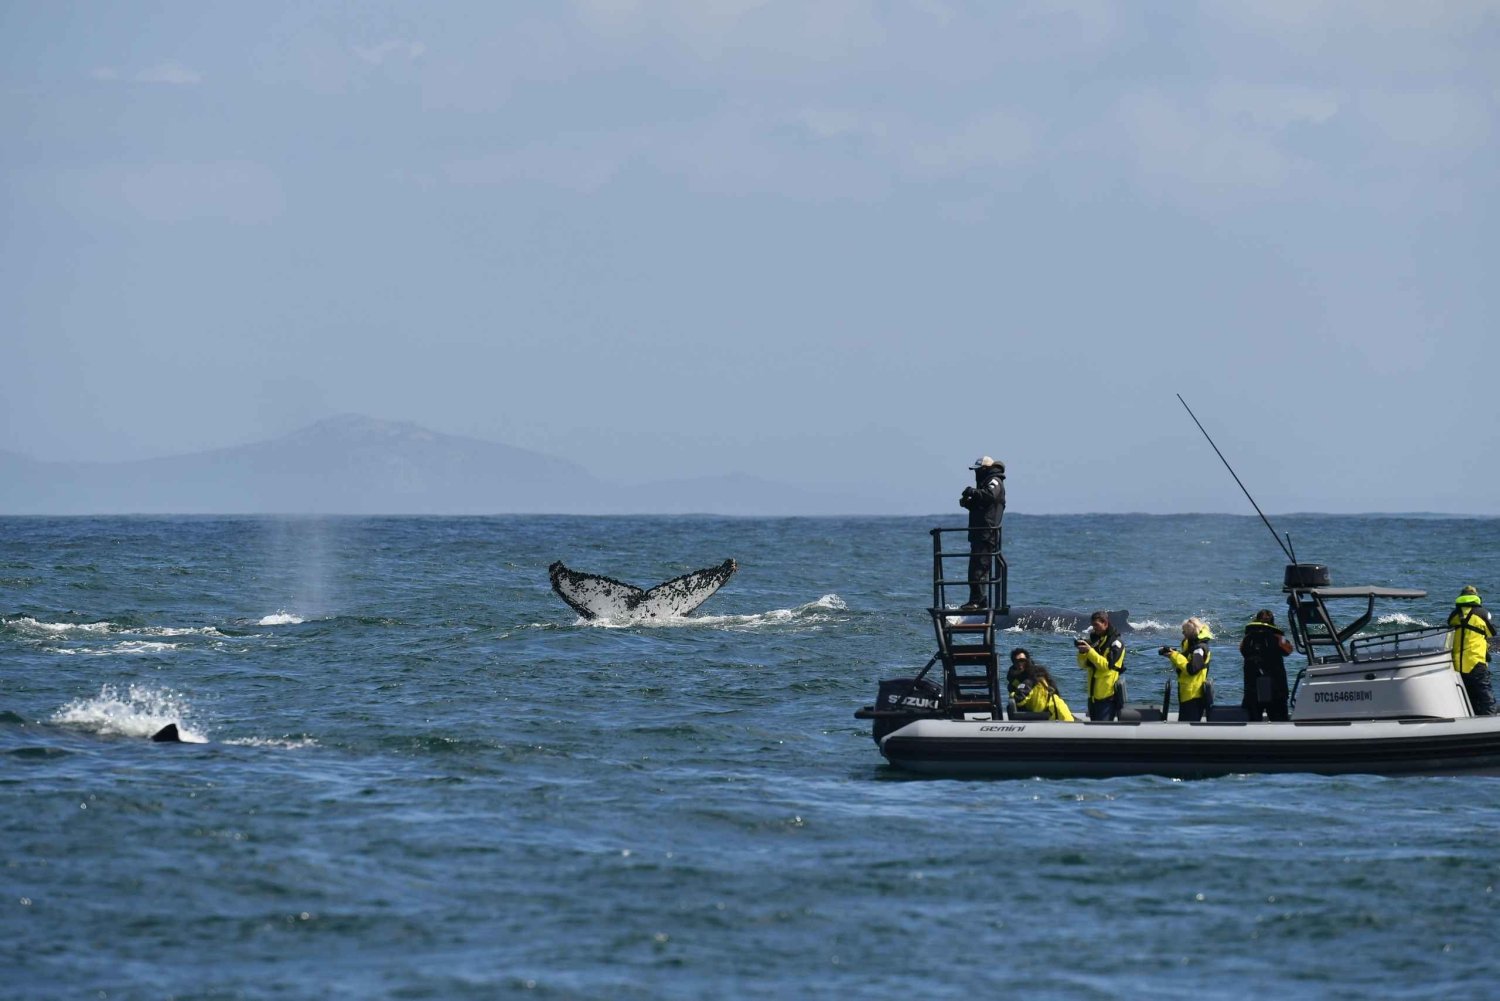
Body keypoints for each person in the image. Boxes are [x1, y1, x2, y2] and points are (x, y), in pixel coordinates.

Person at [957, 456, 1005, 611]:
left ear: (984, 469)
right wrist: (968, 503)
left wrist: (974, 492)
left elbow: (990, 496)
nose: (975, 474)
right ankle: (978, 600)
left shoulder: (994, 481)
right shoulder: (985, 483)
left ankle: (977, 601)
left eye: (977, 470)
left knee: (980, 568)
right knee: (975, 568)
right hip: (979, 533)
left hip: (987, 533)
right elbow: (982, 505)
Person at [1448, 585, 1496, 716]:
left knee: (1468, 696)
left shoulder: (1453, 615)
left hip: (1457, 664)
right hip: (1475, 661)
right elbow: (1491, 633)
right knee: (1485, 695)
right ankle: (1490, 724)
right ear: (1476, 597)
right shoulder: (1482, 613)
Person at [1240, 609, 1293, 721]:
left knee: (1253, 718)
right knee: (1279, 719)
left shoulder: (1248, 637)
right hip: (1275, 687)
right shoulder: (1278, 637)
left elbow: (1242, 650)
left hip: (1255, 687)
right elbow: (1289, 651)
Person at [1075, 611, 1126, 721]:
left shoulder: (1116, 643)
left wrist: (1090, 651)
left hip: (1107, 696)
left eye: (1097, 625)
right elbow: (1083, 665)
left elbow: (1106, 666)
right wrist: (1082, 652)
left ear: (1105, 623)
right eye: (1093, 625)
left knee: (1103, 730)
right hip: (1093, 696)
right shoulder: (1096, 640)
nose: (1094, 628)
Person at [1159, 617, 1213, 722]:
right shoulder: (1191, 645)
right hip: (1186, 693)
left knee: (1188, 724)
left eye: (1184, 631)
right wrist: (1171, 653)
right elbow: (1185, 659)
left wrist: (1174, 656)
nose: (1183, 633)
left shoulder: (1199, 649)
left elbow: (1192, 669)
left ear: (1190, 632)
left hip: (1194, 695)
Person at [1009, 655, 1075, 721]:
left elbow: (1019, 700)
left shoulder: (1030, 682)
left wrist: (1012, 693)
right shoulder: (1043, 679)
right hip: (1057, 712)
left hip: (1055, 717)